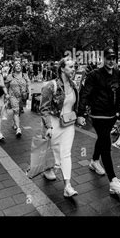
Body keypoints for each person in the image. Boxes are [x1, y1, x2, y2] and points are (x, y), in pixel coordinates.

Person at [77, 47, 120, 194]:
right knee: (106, 143)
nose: (111, 61)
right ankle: (113, 181)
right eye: (108, 58)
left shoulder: (118, 73)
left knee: (102, 138)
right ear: (103, 59)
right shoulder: (94, 75)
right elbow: (84, 93)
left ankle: (94, 161)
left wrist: (119, 110)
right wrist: (81, 114)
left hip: (112, 115)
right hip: (98, 115)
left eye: (113, 58)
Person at [38, 56, 79, 198]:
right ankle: (48, 169)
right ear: (62, 68)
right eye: (70, 67)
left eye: (74, 67)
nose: (73, 69)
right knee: (56, 156)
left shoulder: (74, 85)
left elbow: (74, 105)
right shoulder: (51, 85)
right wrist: (48, 126)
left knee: (66, 153)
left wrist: (79, 117)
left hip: (69, 124)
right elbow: (43, 108)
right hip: (54, 124)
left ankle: (67, 186)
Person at [5, 61, 30, 137]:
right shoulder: (10, 76)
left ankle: (15, 122)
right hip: (13, 95)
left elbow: (28, 84)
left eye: (19, 66)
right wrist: (6, 94)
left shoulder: (25, 75)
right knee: (16, 110)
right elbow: (6, 86)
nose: (18, 67)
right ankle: (18, 129)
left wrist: (29, 93)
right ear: (14, 67)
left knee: (18, 111)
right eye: (16, 66)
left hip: (22, 96)